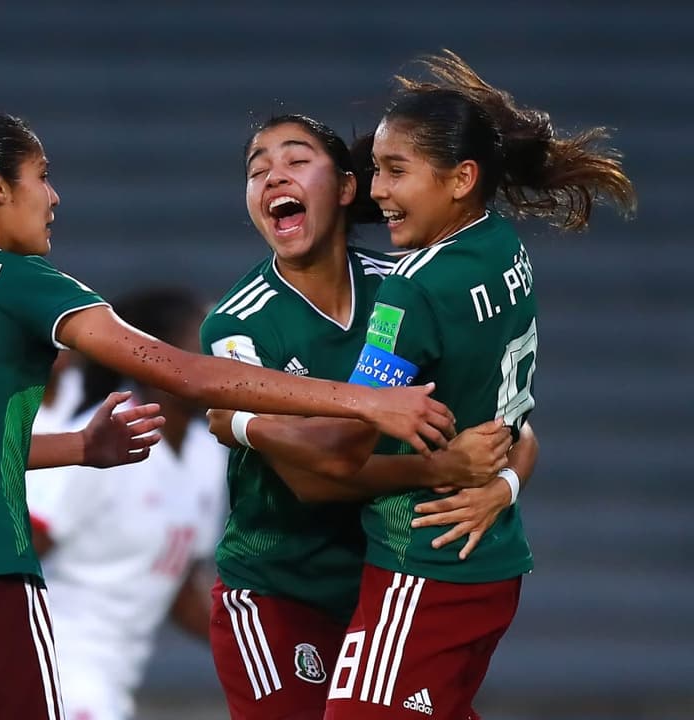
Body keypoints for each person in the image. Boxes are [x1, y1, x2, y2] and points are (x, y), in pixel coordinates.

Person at [0, 107, 454, 720]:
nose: (54, 196)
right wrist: (368, 399)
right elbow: (187, 372)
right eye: (41, 176)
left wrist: (76, 448)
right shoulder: (16, 280)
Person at [227, 53, 632, 720]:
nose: (379, 188)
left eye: (396, 170)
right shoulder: (502, 247)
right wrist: (499, 483)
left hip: (423, 564)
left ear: (460, 178)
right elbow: (513, 425)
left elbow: (337, 452)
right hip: (487, 552)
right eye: (376, 170)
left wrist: (240, 418)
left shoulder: (408, 289)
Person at [200, 114, 537, 720]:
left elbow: (512, 425)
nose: (274, 176)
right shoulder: (238, 323)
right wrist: (441, 468)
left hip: (382, 584)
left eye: (297, 161)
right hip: (281, 592)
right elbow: (313, 477)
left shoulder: (404, 288)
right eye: (257, 171)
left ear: (349, 188)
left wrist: (501, 484)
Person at [27, 286, 228, 720]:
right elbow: (22, 546)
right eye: (202, 347)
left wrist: (255, 650)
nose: (216, 363)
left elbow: (178, 590)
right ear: (159, 361)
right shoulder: (105, 439)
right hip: (56, 669)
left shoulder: (207, 453)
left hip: (114, 679)